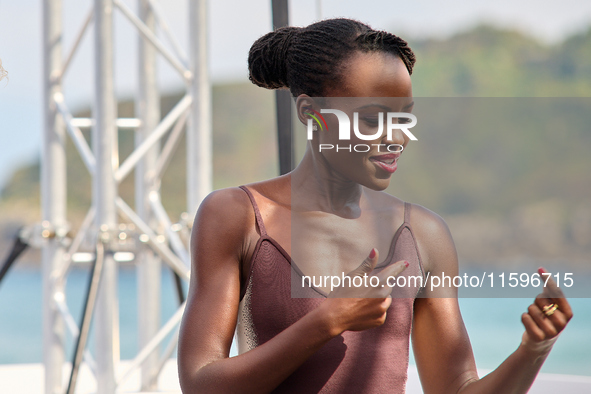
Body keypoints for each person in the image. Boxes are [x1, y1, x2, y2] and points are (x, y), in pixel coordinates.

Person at [177, 18, 573, 393]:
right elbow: (200, 383)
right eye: (372, 120)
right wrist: (326, 322)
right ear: (312, 115)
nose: (395, 138)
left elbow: (456, 388)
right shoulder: (238, 216)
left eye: (404, 120)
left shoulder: (423, 235)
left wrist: (532, 350)